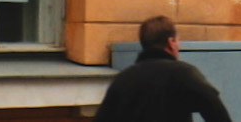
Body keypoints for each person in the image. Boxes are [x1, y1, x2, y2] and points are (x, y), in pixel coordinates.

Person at [94, 15, 232, 122]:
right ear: (171, 42)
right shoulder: (184, 74)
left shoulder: (123, 79)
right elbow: (217, 113)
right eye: (178, 41)